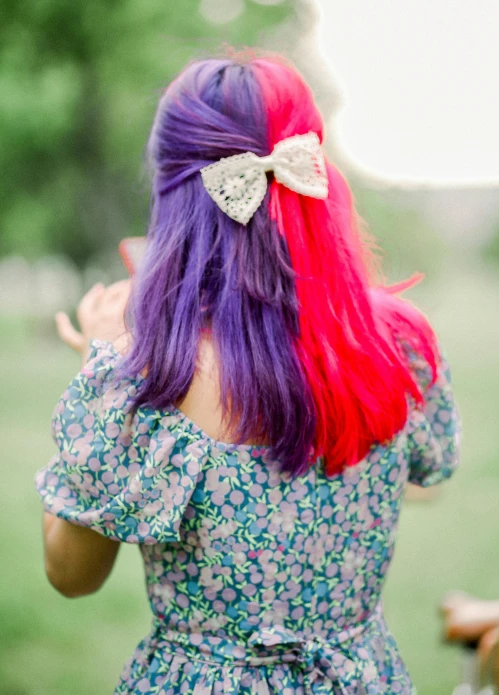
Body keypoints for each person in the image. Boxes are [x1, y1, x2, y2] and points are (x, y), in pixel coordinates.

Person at [35, 53, 461, 694]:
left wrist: (104, 375)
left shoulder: (145, 376)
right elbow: (421, 479)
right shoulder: (399, 345)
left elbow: (72, 574)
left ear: (172, 193)